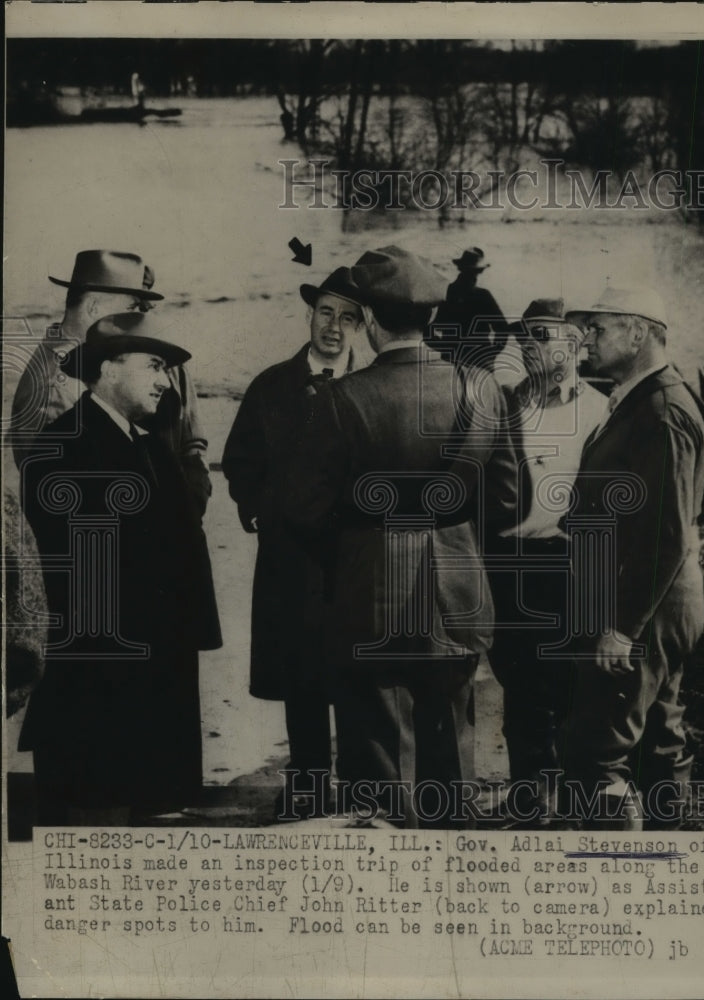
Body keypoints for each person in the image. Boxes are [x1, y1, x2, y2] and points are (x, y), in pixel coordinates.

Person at [285, 246, 520, 828]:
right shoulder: (483, 390)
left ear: (367, 320)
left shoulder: (340, 400)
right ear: (433, 319)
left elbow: (301, 511)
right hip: (459, 595)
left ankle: (388, 897)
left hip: (371, 595)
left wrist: (357, 543)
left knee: (380, 769)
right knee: (454, 757)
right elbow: (510, 502)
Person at [18, 312, 222, 825]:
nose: (164, 381)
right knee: (91, 820)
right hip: (99, 688)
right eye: (154, 366)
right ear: (108, 369)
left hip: (152, 678)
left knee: (140, 817)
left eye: (166, 371)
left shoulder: (149, 443)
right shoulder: (62, 446)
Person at [221, 266, 366, 818]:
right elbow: (239, 460)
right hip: (289, 559)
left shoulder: (366, 388)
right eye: (326, 312)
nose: (334, 327)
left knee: (352, 673)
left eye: (348, 318)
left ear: (361, 326)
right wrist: (256, 508)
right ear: (309, 314)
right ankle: (306, 782)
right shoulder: (271, 385)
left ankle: (355, 787)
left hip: (350, 559)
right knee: (301, 674)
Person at [561, 286, 704, 829]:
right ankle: (668, 862)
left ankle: (615, 881)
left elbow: (665, 535)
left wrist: (622, 628)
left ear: (639, 333)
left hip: (644, 608)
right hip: (657, 605)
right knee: (659, 743)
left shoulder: (660, 410)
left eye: (598, 329)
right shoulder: (641, 399)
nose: (586, 341)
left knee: (598, 752)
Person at [487, 298, 607, 822]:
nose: (533, 345)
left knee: (567, 688)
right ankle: (527, 801)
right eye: (527, 335)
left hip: (569, 564)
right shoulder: (504, 404)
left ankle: (568, 802)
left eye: (545, 334)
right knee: (518, 688)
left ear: (576, 344)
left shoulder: (604, 410)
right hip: (509, 563)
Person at [10, 249, 212, 517]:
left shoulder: (104, 359)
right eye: (131, 308)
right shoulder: (55, 389)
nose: (139, 317)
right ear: (93, 307)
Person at [427, 246, 509, 371]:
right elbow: (503, 329)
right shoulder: (483, 295)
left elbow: (429, 331)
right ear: (478, 272)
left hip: (452, 360)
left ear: (460, 268)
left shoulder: (448, 293)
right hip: (480, 359)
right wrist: (492, 352)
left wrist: (444, 348)